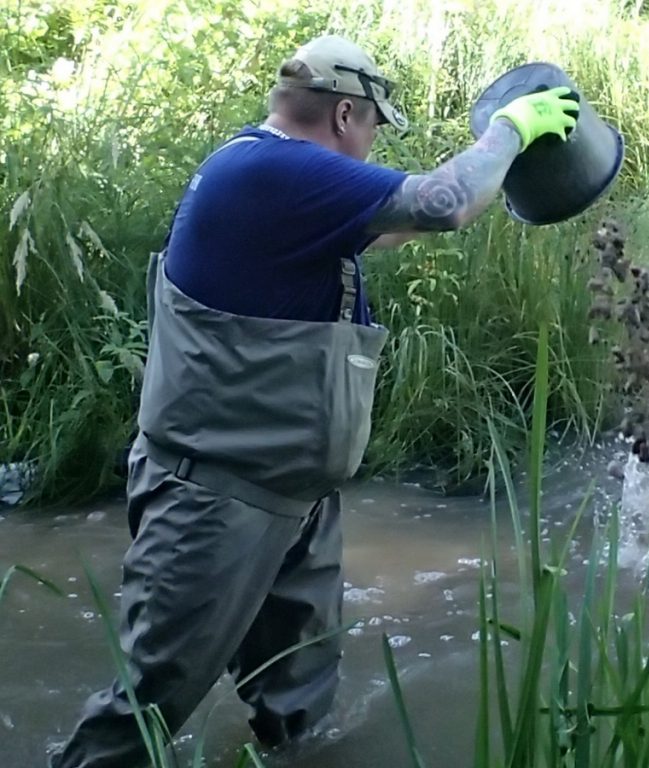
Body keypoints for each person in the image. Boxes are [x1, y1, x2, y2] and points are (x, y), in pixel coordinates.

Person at [49, 34, 578, 768]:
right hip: (217, 501)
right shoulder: (275, 174)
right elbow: (437, 205)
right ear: (344, 116)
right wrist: (510, 130)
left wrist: (491, 160)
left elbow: (395, 224)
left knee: (297, 709)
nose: (369, 144)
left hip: (290, 489)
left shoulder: (263, 172)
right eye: (371, 127)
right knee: (147, 704)